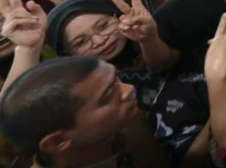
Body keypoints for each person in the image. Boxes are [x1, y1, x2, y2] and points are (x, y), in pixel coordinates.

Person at [0, 57, 167, 168]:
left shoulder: (122, 122)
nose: (129, 90)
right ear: (58, 141)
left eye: (117, 78)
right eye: (108, 96)